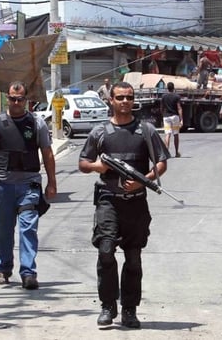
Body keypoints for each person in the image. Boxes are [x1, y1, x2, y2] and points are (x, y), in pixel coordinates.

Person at [78, 81, 169, 328]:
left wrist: (144, 181)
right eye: (120, 98)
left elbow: (161, 163)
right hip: (108, 200)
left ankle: (130, 309)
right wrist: (100, 166)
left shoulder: (146, 130)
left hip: (136, 204)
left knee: (133, 258)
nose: (125, 102)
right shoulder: (100, 132)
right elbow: (83, 163)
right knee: (106, 252)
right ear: (111, 100)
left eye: (129, 98)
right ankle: (108, 306)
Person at [0, 81, 57, 290]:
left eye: (20, 99)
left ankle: (28, 272)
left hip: (29, 184)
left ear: (26, 100)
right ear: (7, 98)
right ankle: (4, 268)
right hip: (3, 185)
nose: (15, 102)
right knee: (4, 229)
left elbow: (47, 153)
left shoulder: (37, 123)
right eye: (12, 98)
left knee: (28, 228)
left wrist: (52, 182)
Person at [160, 82, 183, 157]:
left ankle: (166, 152)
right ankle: (176, 152)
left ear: (167, 88)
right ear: (173, 88)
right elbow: (179, 108)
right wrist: (181, 119)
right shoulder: (177, 96)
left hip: (166, 117)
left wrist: (162, 115)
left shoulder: (163, 96)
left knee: (167, 134)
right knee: (176, 134)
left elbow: (161, 108)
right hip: (174, 117)